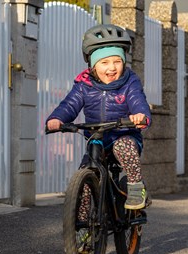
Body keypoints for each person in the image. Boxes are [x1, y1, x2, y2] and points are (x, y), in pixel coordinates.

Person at [46, 24, 152, 210]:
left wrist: (140, 115)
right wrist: (57, 119)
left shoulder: (130, 82)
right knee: (85, 180)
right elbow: (70, 104)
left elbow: (137, 100)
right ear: (93, 65)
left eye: (117, 61)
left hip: (124, 134)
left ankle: (136, 188)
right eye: (104, 63)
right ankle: (82, 227)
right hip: (97, 140)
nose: (112, 68)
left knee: (124, 146)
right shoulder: (84, 85)